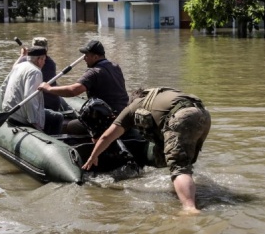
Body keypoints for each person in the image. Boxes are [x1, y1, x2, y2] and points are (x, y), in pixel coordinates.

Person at [82, 87, 211, 212]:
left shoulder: (134, 106)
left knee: (179, 167)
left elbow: (106, 136)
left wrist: (93, 156)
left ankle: (189, 208)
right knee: (184, 161)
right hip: (203, 114)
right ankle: (186, 190)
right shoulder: (160, 95)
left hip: (182, 117)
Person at [38, 39, 129, 128]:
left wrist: (48, 88)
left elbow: (73, 91)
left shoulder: (94, 72)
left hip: (105, 117)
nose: (84, 58)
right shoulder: (116, 67)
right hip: (122, 115)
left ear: (95, 57)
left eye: (86, 55)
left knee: (68, 126)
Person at [2, 46, 63, 135]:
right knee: (57, 117)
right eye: (44, 59)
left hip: (9, 112)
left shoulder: (18, 66)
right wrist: (34, 122)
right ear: (39, 60)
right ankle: (54, 140)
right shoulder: (35, 71)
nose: (45, 62)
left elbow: (3, 87)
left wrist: (6, 108)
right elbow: (29, 97)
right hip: (21, 116)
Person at [17, 37, 61, 111]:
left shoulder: (24, 60)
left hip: (43, 104)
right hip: (48, 102)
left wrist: (22, 56)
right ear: (46, 49)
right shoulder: (51, 62)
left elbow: (14, 68)